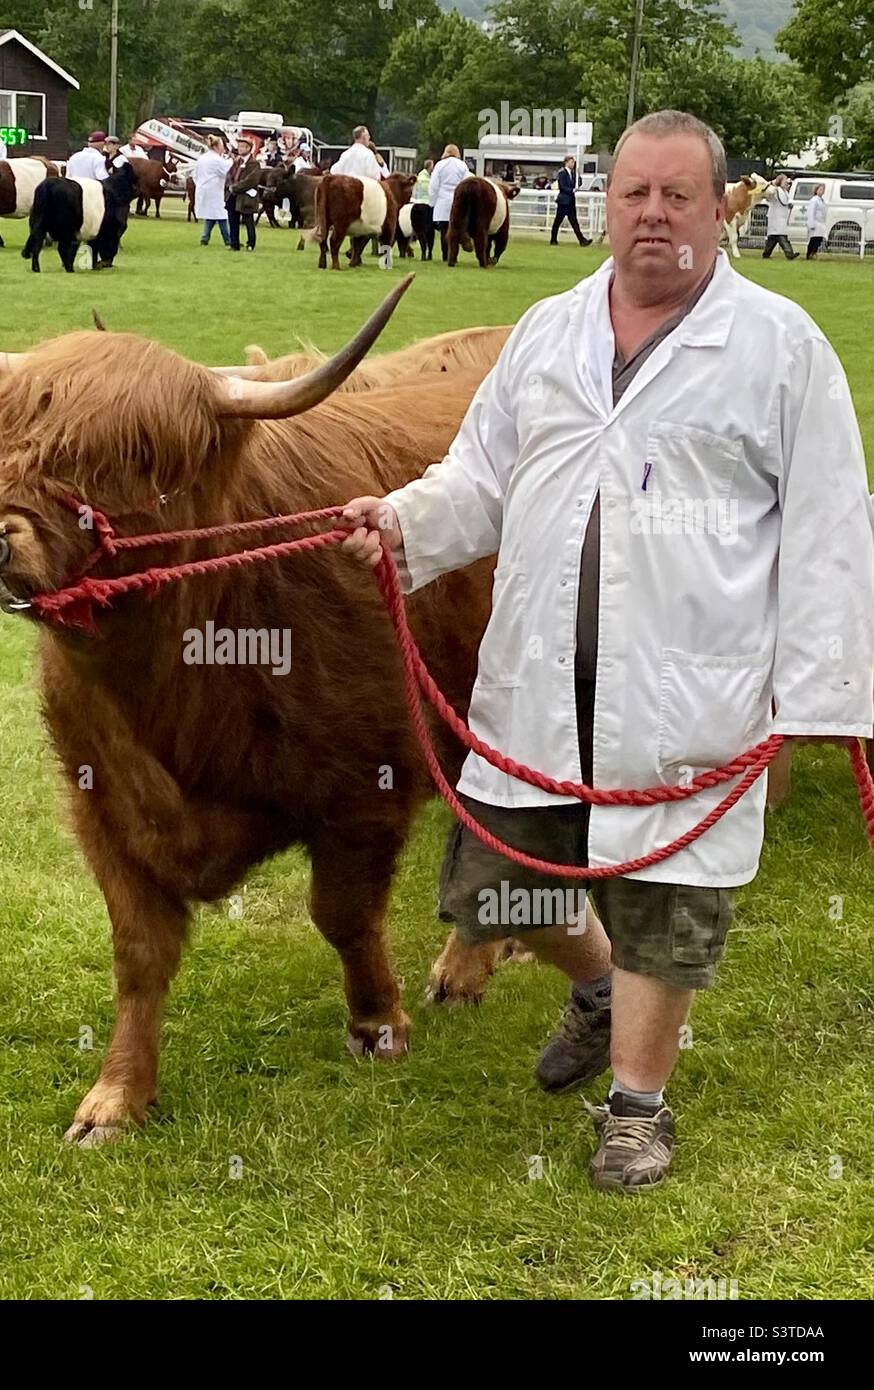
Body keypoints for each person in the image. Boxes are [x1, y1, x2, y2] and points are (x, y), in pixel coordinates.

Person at [339, 109, 874, 1193]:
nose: (652, 215)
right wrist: (401, 521)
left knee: (663, 904)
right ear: (607, 202)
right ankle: (588, 989)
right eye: (633, 193)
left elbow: (829, 528)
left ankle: (634, 1107)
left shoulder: (778, 349)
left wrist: (818, 696)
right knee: (497, 885)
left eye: (678, 196)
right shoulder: (546, 330)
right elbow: (478, 479)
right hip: (536, 674)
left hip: (692, 682)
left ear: (717, 209)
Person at [428, 142, 470, 261]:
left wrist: (433, 202)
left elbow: (433, 186)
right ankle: (454, 256)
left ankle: (445, 256)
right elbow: (466, 184)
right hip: (458, 202)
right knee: (456, 230)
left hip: (442, 202)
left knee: (444, 232)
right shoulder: (462, 166)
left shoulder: (440, 165)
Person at [193, 133, 232, 247]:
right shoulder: (216, 160)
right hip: (213, 191)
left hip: (204, 189)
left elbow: (195, 174)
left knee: (211, 215)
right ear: (216, 147)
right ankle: (228, 240)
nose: (223, 148)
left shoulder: (203, 158)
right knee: (221, 215)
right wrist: (231, 160)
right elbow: (226, 170)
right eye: (221, 145)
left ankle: (204, 237)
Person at [225, 136, 262, 252]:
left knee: (248, 220)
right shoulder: (236, 161)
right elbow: (229, 175)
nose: (240, 149)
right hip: (233, 195)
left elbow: (251, 181)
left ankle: (251, 243)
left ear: (248, 148)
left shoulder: (254, 164)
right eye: (239, 146)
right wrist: (230, 186)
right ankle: (234, 244)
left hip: (246, 196)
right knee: (232, 220)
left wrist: (236, 187)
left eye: (242, 146)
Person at [551, 154, 592, 246]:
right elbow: (562, 186)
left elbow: (578, 182)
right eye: (571, 162)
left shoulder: (574, 174)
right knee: (557, 221)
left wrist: (578, 179)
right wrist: (571, 190)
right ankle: (553, 239)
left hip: (570, 201)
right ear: (566, 162)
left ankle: (582, 240)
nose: (573, 164)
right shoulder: (562, 173)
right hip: (563, 201)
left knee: (574, 222)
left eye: (573, 162)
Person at [763, 174, 798, 259]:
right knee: (782, 237)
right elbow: (769, 197)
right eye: (784, 180)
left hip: (781, 218)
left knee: (773, 239)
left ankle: (766, 254)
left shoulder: (785, 192)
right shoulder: (775, 191)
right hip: (775, 218)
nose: (786, 182)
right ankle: (789, 254)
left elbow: (787, 202)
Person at [805, 183, 826, 259]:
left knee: (819, 238)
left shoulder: (821, 200)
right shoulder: (814, 200)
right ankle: (810, 253)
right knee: (814, 239)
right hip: (815, 222)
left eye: (823, 189)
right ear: (816, 190)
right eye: (820, 189)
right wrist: (811, 224)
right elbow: (811, 212)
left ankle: (813, 252)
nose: (822, 191)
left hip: (820, 223)